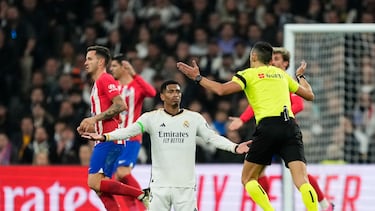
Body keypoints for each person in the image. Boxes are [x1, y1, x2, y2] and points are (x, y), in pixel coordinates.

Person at [177, 41, 318, 211]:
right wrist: (301, 76)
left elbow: (221, 90)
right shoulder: (281, 74)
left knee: (248, 179)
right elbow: (309, 95)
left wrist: (198, 78)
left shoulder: (248, 74)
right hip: (290, 126)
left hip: (267, 127)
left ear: (253, 56)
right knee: (302, 181)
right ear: (270, 60)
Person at [81, 80, 251, 211]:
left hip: (185, 187)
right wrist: (105, 137)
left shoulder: (194, 118)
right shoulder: (150, 118)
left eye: (178, 91)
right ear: (162, 96)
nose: (175, 94)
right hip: (159, 187)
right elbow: (128, 131)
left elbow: (212, 138)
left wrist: (234, 147)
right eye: (170, 91)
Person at [228, 47, 335, 211]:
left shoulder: (285, 80)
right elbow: (255, 106)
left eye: (278, 59)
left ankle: (324, 204)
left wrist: (280, 112)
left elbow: (299, 103)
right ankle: (268, 204)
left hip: (282, 129)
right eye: (273, 58)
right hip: (273, 129)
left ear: (285, 63)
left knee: (297, 174)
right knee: (262, 173)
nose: (274, 61)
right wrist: (242, 119)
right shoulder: (265, 80)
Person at [77, 45, 149, 211]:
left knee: (93, 182)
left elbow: (120, 105)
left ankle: (142, 194)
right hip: (105, 138)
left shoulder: (105, 79)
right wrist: (91, 125)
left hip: (111, 140)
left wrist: (94, 118)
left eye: (89, 59)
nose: (85, 62)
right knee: (101, 188)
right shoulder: (97, 83)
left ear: (101, 62)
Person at [110, 54, 157, 210]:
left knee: (123, 173)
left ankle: (145, 199)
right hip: (114, 138)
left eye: (115, 66)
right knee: (116, 178)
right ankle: (135, 208)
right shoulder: (113, 86)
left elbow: (152, 93)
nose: (112, 69)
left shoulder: (136, 85)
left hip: (131, 136)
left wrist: (135, 74)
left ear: (124, 67)